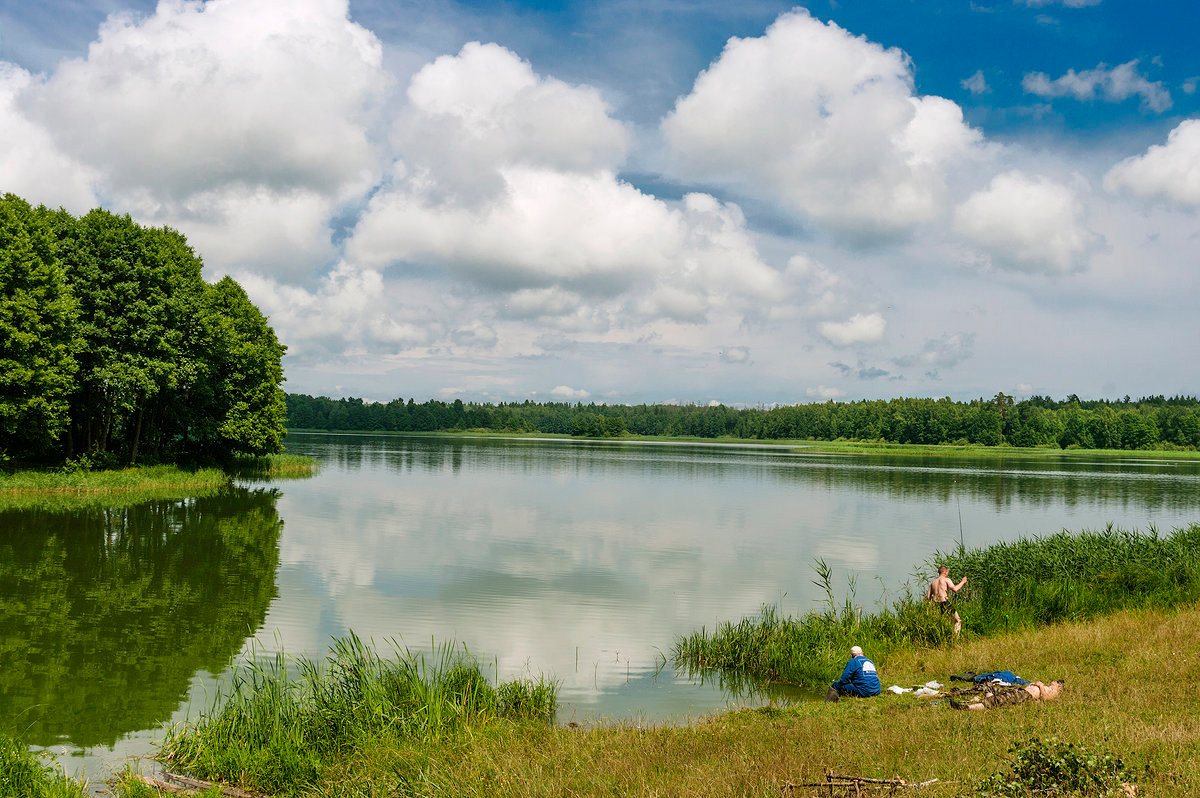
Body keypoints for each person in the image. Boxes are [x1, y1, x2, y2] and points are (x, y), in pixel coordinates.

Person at [927, 565, 967, 635]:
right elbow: (955, 589)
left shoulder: (933, 582)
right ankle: (955, 639)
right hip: (945, 603)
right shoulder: (946, 579)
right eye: (948, 572)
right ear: (945, 572)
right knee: (958, 620)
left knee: (942, 622)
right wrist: (963, 582)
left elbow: (928, 597)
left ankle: (942, 638)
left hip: (935, 604)